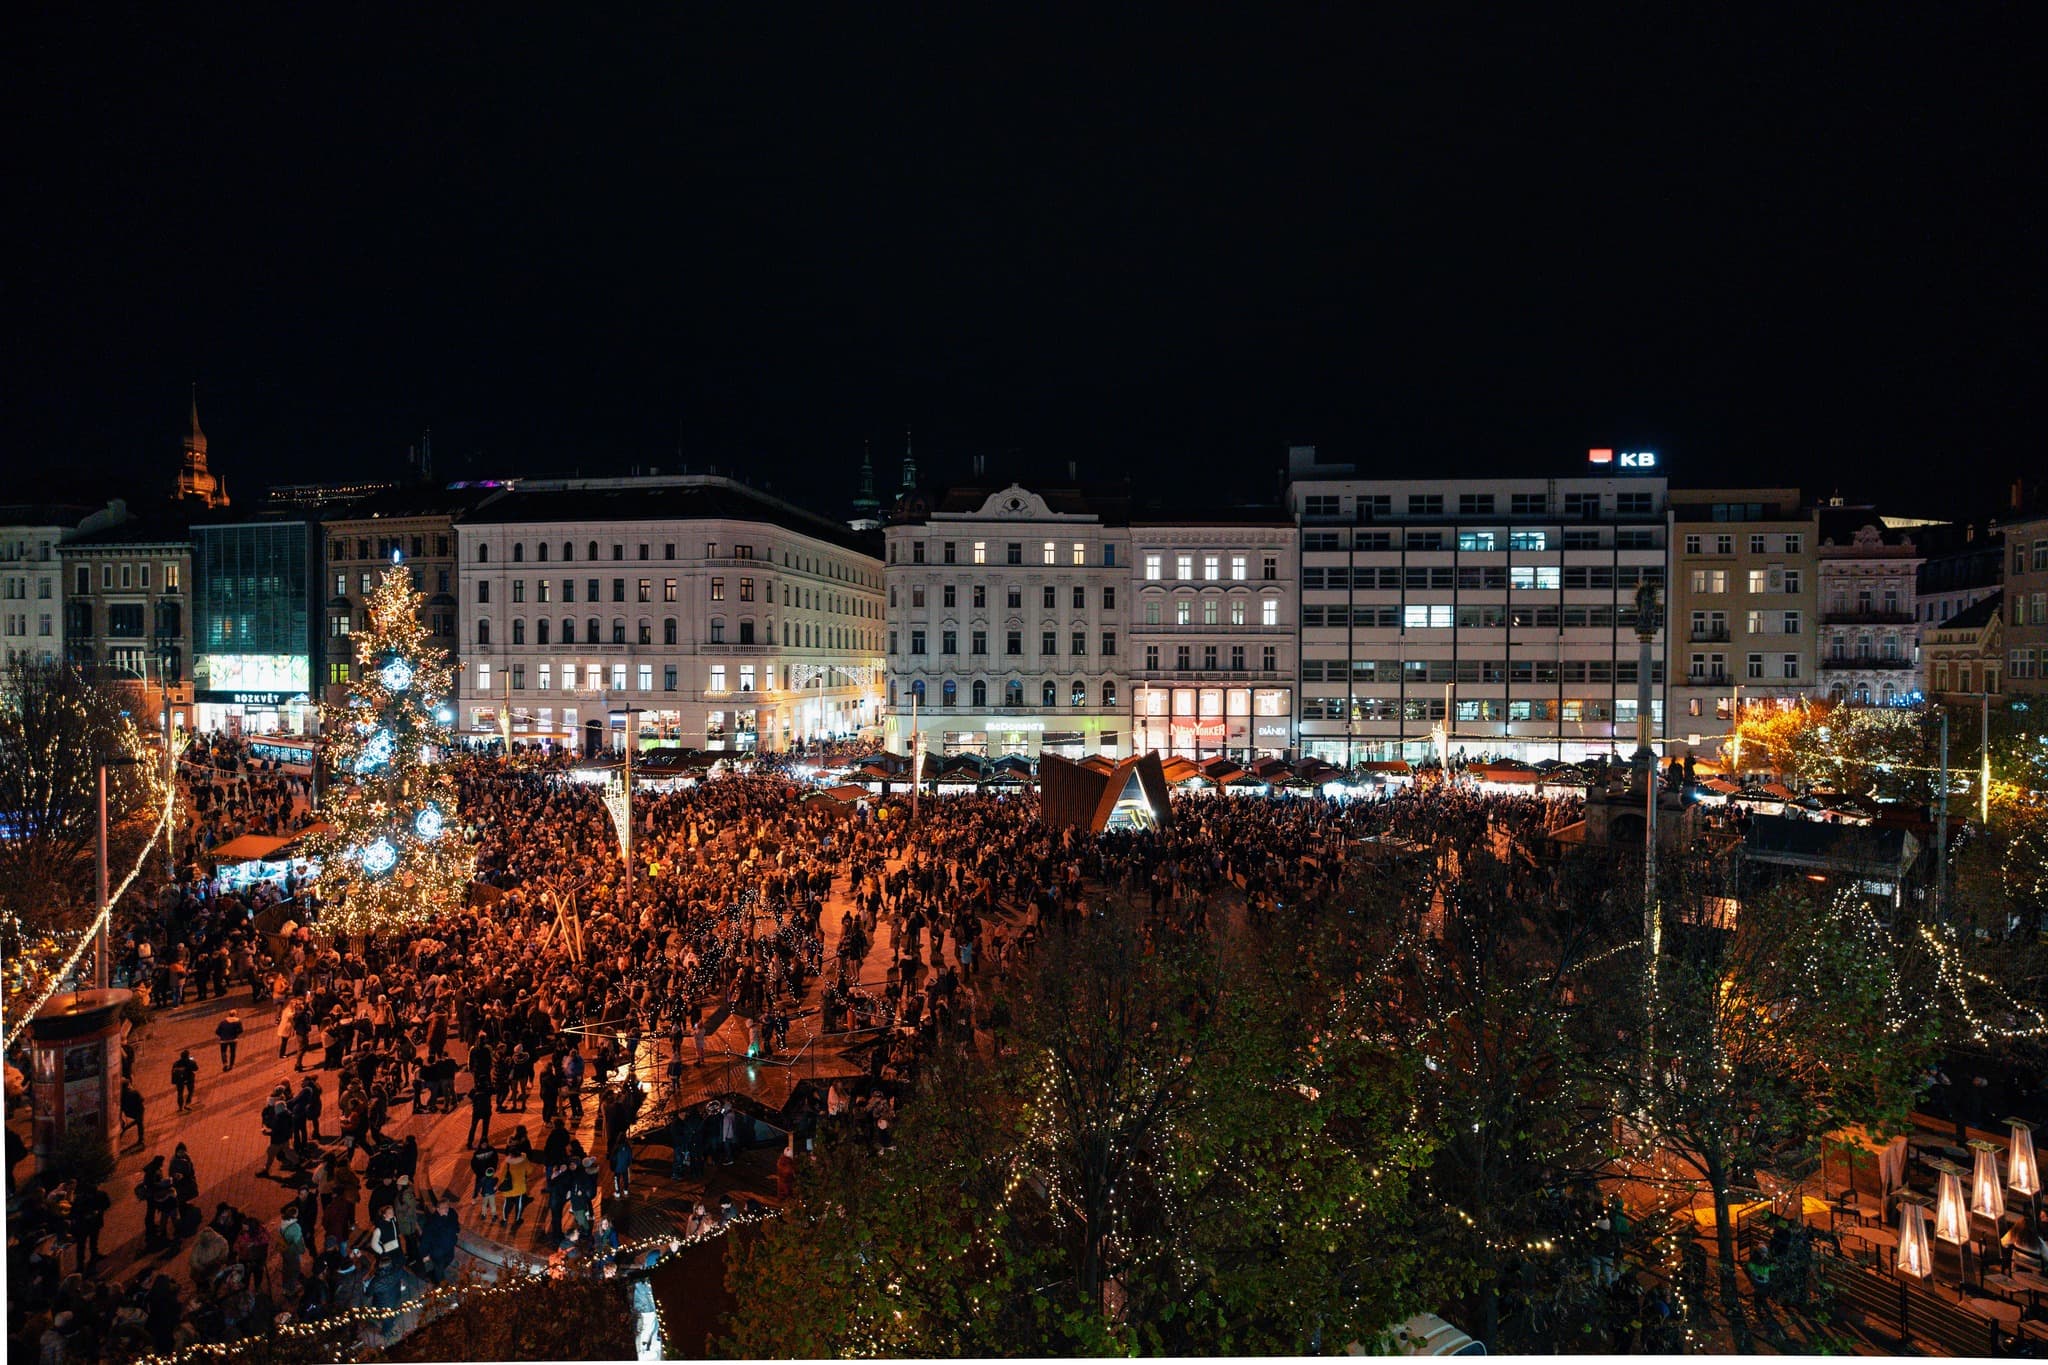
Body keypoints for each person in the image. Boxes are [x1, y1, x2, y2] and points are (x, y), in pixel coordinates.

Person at [119, 1079, 145, 1149]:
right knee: (139, 1123)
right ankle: (141, 1139)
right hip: (138, 1111)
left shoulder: (121, 1096)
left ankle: (126, 1129)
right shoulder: (134, 1092)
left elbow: (121, 1107)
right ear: (128, 1085)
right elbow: (142, 1100)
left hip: (129, 1113)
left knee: (138, 1122)